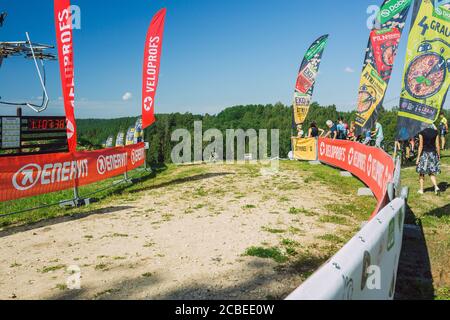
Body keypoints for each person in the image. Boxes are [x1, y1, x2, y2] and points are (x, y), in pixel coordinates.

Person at [416, 125, 441, 195]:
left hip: (424, 154)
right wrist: (439, 155)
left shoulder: (421, 132)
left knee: (421, 172)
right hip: (433, 154)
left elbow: (420, 146)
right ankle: (436, 187)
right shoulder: (435, 132)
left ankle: (421, 190)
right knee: (431, 172)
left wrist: (418, 157)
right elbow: (437, 145)